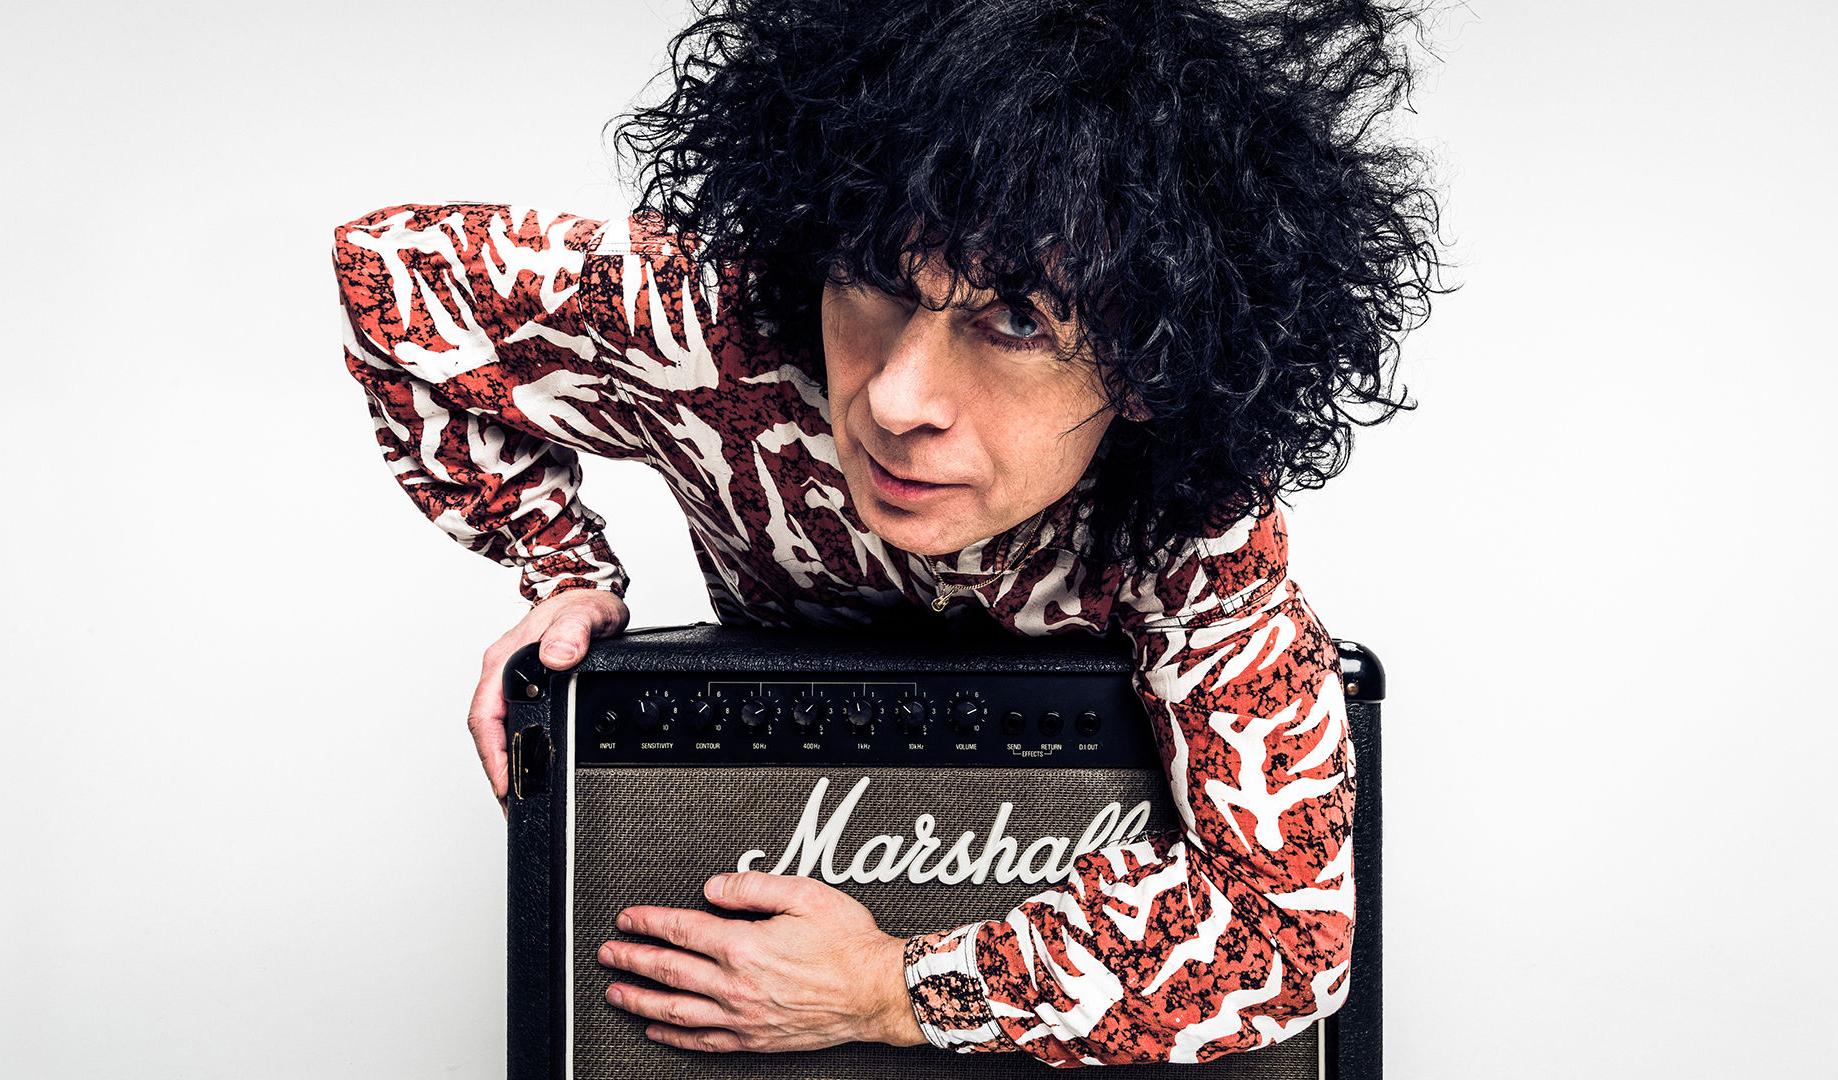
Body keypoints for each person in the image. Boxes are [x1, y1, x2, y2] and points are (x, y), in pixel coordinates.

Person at [332, 0, 1440, 1065]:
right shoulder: (714, 329)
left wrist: (886, 991)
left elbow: (1291, 933)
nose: (897, 399)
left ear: (1149, 367)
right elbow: (394, 279)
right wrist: (564, 569)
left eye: (1016, 319)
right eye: (871, 281)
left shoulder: (1195, 531)